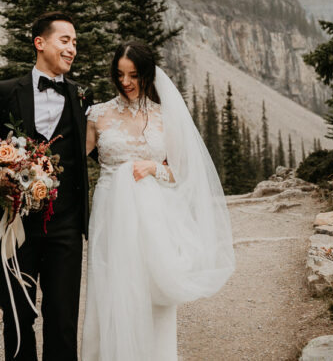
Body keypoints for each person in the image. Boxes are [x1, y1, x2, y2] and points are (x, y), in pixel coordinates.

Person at [82, 41, 236, 361]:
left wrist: (154, 167)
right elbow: (71, 163)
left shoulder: (164, 116)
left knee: (154, 286)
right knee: (112, 285)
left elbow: (182, 173)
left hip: (153, 215)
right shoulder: (97, 115)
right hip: (110, 213)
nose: (126, 82)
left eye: (133, 75)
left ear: (148, 75)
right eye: (120, 74)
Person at [0, 11, 93, 361]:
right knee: (17, 315)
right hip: (17, 227)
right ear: (40, 43)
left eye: (75, 43)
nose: (72, 49)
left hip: (66, 225)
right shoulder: (5, 92)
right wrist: (4, 175)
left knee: (62, 318)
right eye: (65, 40)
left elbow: (101, 146)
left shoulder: (82, 96)